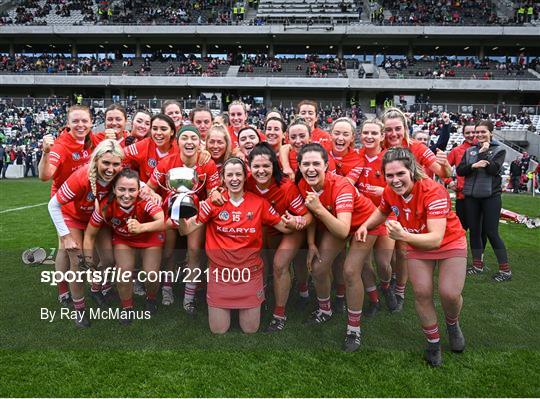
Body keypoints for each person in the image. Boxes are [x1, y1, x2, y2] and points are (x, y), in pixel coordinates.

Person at [357, 147, 467, 367]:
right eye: (389, 175)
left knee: (449, 293)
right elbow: (382, 210)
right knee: (422, 293)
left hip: (448, 242)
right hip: (416, 243)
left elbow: (436, 238)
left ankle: (452, 324)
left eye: (400, 174)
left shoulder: (434, 191)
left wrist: (402, 235)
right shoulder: (390, 191)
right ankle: (433, 343)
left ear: (412, 171)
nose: (395, 180)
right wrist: (365, 225)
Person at [177, 157, 292, 334]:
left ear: (246, 177)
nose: (234, 179)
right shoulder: (213, 203)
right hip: (220, 274)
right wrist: (178, 212)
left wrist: (301, 220)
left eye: (238, 174)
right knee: (218, 330)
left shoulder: (259, 203)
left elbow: (284, 226)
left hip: (249, 273)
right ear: (223, 178)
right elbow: (186, 230)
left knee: (250, 329)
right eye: (229, 175)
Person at [297, 143, 383, 352]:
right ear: (299, 166)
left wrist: (318, 208)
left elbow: (343, 230)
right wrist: (310, 243)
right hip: (334, 222)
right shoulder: (303, 184)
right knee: (318, 268)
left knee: (351, 271)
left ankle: (354, 329)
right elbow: (312, 217)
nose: (311, 168)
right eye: (306, 164)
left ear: (326, 165)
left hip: (364, 224)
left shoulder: (341, 185)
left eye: (316, 163)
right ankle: (325, 310)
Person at [47, 140, 124, 327]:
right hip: (73, 217)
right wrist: (65, 236)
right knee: (79, 264)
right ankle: (79, 309)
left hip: (97, 219)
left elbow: (138, 186)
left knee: (108, 259)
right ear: (96, 160)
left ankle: (96, 289)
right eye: (106, 163)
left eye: (115, 164)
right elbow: (53, 205)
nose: (110, 168)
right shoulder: (82, 176)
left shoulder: (120, 176)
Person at [148, 125, 220, 311]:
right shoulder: (166, 162)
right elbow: (149, 187)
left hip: (196, 213)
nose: (189, 142)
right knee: (169, 252)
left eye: (193, 138)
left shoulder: (208, 164)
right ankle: (167, 287)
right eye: (185, 138)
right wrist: (154, 195)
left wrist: (210, 200)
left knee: (195, 251)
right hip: (171, 211)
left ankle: (189, 297)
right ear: (177, 142)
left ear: (199, 142)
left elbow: (213, 192)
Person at [245, 143, 313, 332]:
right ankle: (263, 296)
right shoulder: (246, 182)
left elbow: (307, 216)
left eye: (266, 166)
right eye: (256, 166)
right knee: (261, 262)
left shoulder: (286, 186)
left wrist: (298, 221)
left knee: (280, 264)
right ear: (249, 166)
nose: (261, 171)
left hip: (289, 229)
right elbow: (224, 187)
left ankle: (279, 314)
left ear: (274, 166)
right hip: (263, 230)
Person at [84, 168, 165, 324]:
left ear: (139, 190)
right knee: (123, 272)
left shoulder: (145, 201)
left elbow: (163, 222)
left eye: (131, 190)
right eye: (121, 189)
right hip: (124, 239)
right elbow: (89, 235)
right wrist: (88, 263)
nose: (126, 195)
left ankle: (151, 298)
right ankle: (127, 308)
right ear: (114, 188)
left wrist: (142, 227)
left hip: (150, 237)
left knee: (151, 274)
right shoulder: (105, 206)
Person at [39, 105, 94, 306]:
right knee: (67, 248)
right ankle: (64, 290)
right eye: (75, 121)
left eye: (84, 121)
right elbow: (45, 176)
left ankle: (94, 287)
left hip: (86, 203)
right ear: (68, 123)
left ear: (91, 122)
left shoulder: (93, 139)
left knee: (87, 250)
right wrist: (46, 153)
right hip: (64, 203)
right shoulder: (61, 145)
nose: (80, 125)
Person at [345, 118, 398, 313]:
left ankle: (386, 286)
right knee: (365, 263)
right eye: (366, 133)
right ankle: (374, 299)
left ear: (382, 136)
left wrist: (383, 192)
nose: (369, 136)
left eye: (374, 133)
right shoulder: (355, 156)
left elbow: (404, 188)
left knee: (383, 263)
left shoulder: (389, 158)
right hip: (361, 219)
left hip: (385, 216)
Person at [456, 120, 511, 282]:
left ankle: (505, 270)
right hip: (471, 197)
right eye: (477, 132)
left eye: (483, 132)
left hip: (491, 197)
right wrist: (473, 166)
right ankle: (477, 265)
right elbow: (460, 170)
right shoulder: (469, 151)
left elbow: (493, 170)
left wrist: (484, 153)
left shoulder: (499, 150)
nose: (479, 135)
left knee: (491, 232)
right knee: (474, 231)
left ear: (491, 133)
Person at [123, 114, 179, 184]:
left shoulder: (179, 148)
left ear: (172, 132)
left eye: (163, 129)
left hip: (170, 193)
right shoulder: (145, 144)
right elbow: (120, 155)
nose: (158, 133)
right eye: (155, 129)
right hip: (146, 193)